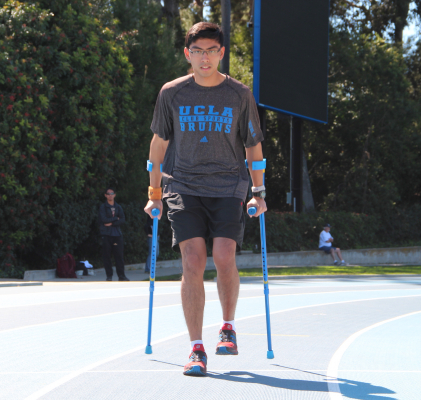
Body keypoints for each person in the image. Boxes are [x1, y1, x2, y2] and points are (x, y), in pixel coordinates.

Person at [144, 22, 267, 377]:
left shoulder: (239, 94)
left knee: (224, 255)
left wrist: (257, 192)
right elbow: (157, 145)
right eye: (197, 51)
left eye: (211, 50)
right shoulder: (171, 93)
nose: (205, 58)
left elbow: (253, 145)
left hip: (229, 184)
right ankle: (196, 348)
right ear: (188, 54)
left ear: (221, 53)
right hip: (182, 184)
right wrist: (154, 194)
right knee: (193, 260)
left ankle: (227, 326)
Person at [99, 187, 129, 281]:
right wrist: (116, 218)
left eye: (112, 193)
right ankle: (109, 276)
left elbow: (123, 219)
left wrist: (112, 223)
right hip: (106, 235)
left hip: (117, 235)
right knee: (107, 256)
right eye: (108, 194)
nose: (110, 195)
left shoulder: (118, 207)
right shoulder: (103, 207)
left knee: (119, 256)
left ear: (115, 195)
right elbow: (103, 220)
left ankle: (121, 276)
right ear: (105, 195)